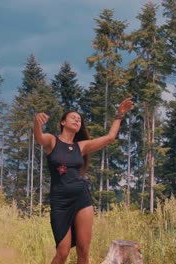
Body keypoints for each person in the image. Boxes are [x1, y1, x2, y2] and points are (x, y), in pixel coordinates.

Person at [34, 97, 134, 264]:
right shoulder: (52, 141)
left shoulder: (81, 147)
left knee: (83, 251)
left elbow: (109, 138)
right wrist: (37, 123)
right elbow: (39, 137)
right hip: (60, 203)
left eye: (79, 119)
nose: (77, 119)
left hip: (82, 199)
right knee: (62, 252)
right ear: (63, 122)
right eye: (73, 117)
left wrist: (119, 115)